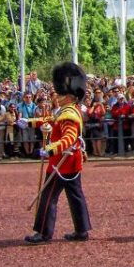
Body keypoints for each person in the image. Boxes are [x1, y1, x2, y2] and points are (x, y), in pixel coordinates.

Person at [25, 62, 92, 245]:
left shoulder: (69, 114)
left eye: (60, 93)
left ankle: (43, 233)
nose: (57, 96)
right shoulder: (67, 110)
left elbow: (68, 139)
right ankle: (81, 230)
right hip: (71, 161)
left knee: (48, 197)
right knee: (75, 196)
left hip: (62, 162)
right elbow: (50, 120)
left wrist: (50, 149)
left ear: (69, 95)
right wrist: (30, 122)